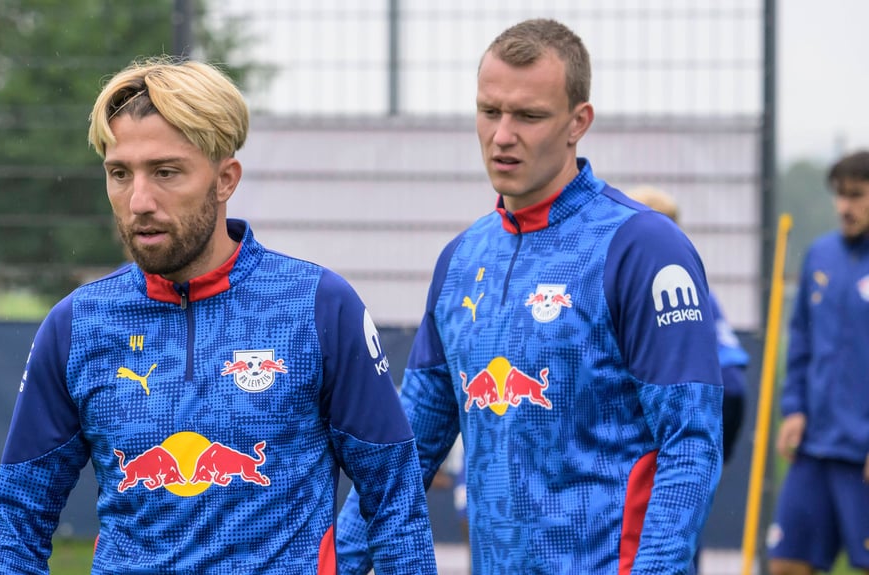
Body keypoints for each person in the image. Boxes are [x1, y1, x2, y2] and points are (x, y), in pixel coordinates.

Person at [0, 57, 437, 575]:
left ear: (225, 179)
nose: (139, 200)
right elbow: (19, 522)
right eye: (119, 174)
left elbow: (396, 500)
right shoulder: (76, 326)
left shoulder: (320, 305)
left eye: (166, 172)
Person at [335, 18, 723, 574]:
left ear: (577, 122)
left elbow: (690, 442)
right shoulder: (461, 259)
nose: (502, 135)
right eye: (489, 111)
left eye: (529, 116)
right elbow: (406, 451)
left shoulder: (643, 246)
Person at [627, 186, 751, 574]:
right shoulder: (698, 290)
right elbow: (733, 386)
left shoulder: (656, 293)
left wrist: (705, 451)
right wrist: (710, 455)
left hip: (641, 468)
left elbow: (731, 384)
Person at [767, 150, 869, 575]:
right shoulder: (820, 255)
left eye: (857, 196)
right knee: (786, 563)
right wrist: (794, 409)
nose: (844, 207)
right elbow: (803, 340)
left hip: (860, 452)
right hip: (815, 448)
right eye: (839, 196)